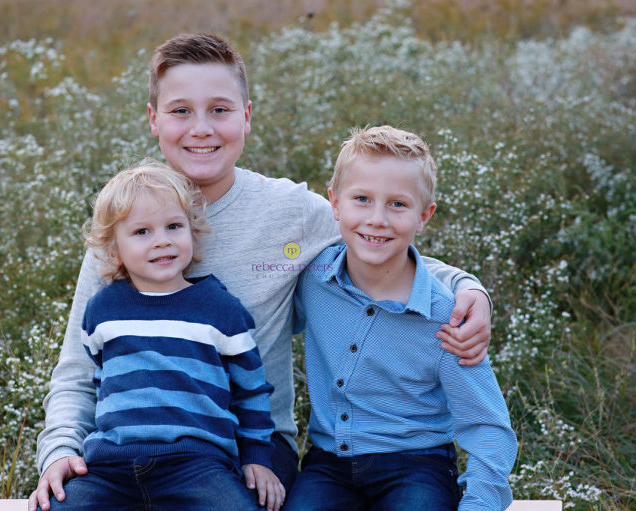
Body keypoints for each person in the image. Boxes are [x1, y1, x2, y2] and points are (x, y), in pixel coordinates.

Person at [29, 33, 494, 511]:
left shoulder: (292, 213)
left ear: (247, 116)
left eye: (220, 110)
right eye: (181, 111)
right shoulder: (126, 222)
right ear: (154, 119)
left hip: (253, 448)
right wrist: (60, 450)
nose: (201, 129)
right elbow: (79, 369)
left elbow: (378, 243)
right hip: (128, 448)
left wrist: (467, 288)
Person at [286, 126, 517, 511]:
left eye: (397, 204)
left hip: (417, 466)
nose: (377, 219)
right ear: (335, 203)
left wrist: (479, 504)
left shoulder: (446, 316)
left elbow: (487, 426)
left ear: (424, 216)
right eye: (362, 199)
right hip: (329, 465)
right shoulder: (314, 276)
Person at [50, 159, 285, 510]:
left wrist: (257, 457)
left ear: (192, 231)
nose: (162, 241)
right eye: (142, 232)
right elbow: (100, 381)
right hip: (109, 466)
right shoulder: (103, 308)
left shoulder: (220, 309)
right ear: (113, 250)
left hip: (197, 464)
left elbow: (251, 391)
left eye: (173, 226)